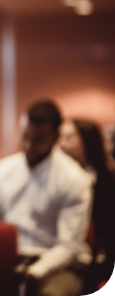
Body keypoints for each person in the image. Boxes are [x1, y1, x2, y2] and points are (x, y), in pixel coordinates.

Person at [0, 100, 92, 296]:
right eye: (25, 137)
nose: (29, 145)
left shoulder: (74, 179)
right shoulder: (3, 169)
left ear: (56, 137)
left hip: (57, 267)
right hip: (9, 262)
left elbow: (68, 247)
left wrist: (31, 273)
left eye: (38, 140)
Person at [59, 118, 115, 290]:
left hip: (96, 257)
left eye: (69, 138)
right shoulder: (56, 180)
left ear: (87, 141)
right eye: (60, 137)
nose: (61, 144)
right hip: (59, 253)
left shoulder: (108, 181)